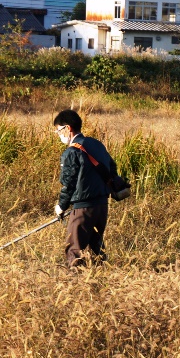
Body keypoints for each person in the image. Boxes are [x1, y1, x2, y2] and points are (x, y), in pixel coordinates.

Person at [53, 109, 117, 268]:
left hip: (83, 208)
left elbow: (69, 183)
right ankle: (103, 281)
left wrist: (61, 206)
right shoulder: (97, 144)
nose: (58, 134)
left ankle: (75, 287)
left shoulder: (71, 151)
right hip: (102, 205)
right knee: (96, 249)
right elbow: (112, 168)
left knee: (74, 250)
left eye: (59, 130)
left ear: (68, 128)